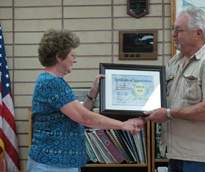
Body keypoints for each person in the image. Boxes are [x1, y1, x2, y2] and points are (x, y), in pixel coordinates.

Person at [27, 28, 143, 172]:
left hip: (58, 164)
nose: (75, 60)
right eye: (72, 55)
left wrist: (93, 91)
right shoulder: (52, 83)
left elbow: (77, 116)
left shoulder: (53, 81)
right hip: (52, 164)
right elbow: (84, 118)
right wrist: (123, 125)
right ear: (58, 56)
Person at [144, 6, 205, 172]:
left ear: (198, 33)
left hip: (201, 156)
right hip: (176, 152)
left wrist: (169, 113)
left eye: (179, 30)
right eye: (173, 29)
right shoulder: (174, 63)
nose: (173, 34)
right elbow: (161, 98)